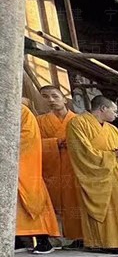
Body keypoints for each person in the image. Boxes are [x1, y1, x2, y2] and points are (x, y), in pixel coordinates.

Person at [65, 97, 118, 257]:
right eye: (114, 110)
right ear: (103, 108)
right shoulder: (78, 123)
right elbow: (81, 152)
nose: (116, 114)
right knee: (105, 212)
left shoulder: (113, 129)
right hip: (96, 176)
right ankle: (107, 245)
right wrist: (111, 155)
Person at [37, 85, 84, 242]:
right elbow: (33, 144)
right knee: (52, 203)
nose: (50, 100)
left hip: (74, 168)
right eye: (45, 96)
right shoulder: (39, 121)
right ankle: (56, 238)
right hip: (51, 169)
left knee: (76, 201)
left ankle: (78, 237)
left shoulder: (78, 120)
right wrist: (55, 143)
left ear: (64, 99)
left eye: (55, 96)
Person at [16, 104, 60, 254]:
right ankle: (17, 240)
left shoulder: (22, 111)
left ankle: (43, 240)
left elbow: (27, 137)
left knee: (31, 200)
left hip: (23, 163)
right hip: (7, 165)